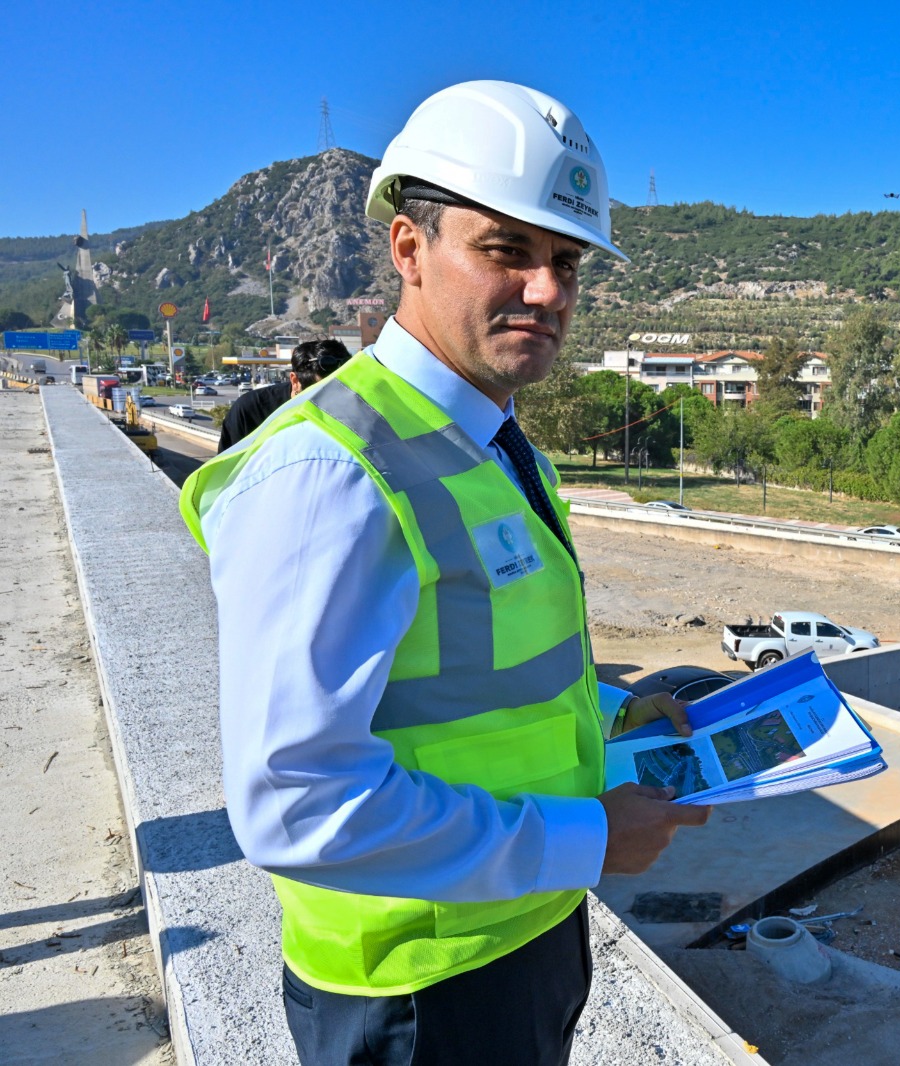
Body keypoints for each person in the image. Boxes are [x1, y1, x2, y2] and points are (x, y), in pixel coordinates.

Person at [178, 81, 710, 1065]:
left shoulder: (499, 446)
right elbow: (298, 802)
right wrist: (589, 841)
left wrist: (609, 720)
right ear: (408, 249)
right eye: (506, 250)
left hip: (522, 937)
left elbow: (476, 678)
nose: (547, 291)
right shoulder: (331, 471)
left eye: (566, 260)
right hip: (421, 991)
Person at [216, 338, 351, 449]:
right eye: (322, 394)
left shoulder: (355, 406)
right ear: (295, 381)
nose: (334, 403)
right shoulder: (250, 410)